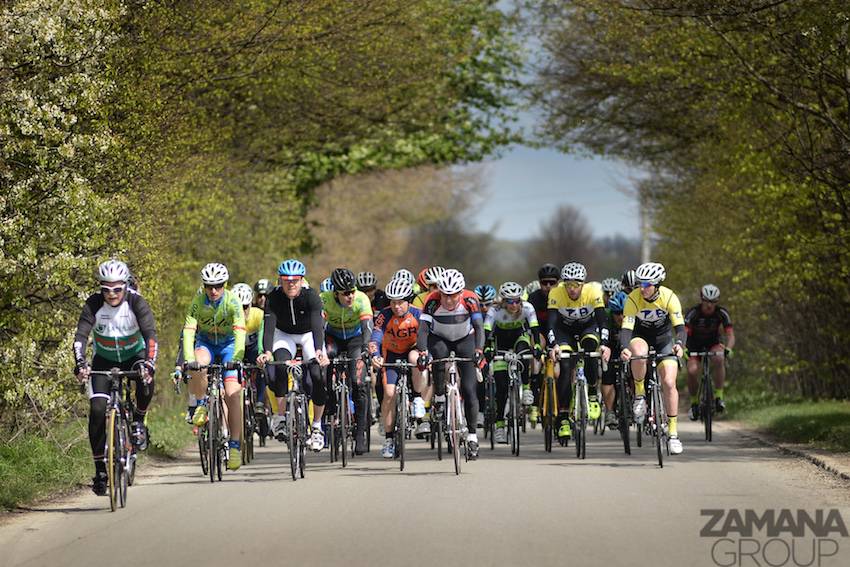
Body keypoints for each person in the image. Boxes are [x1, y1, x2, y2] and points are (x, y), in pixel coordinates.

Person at [74, 260, 157, 495]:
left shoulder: (136, 302)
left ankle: (139, 421)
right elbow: (80, 336)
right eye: (106, 289)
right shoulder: (93, 304)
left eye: (117, 289)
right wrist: (80, 364)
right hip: (105, 359)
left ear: (126, 286)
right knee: (98, 408)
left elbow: (151, 335)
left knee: (145, 379)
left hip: (134, 355)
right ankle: (100, 469)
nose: (111, 294)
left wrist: (149, 364)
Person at [259, 259, 329, 451]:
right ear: (280, 280)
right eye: (286, 280)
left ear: (301, 280)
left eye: (295, 280)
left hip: (307, 335)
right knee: (280, 365)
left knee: (316, 373)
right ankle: (281, 417)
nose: (291, 284)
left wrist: (318, 351)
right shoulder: (273, 298)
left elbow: (317, 327)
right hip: (284, 335)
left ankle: (316, 427)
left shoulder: (311, 296)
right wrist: (266, 352)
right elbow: (269, 328)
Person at [416, 268, 486, 459]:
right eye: (445, 295)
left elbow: (479, 327)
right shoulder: (432, 300)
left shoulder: (470, 299)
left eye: (453, 296)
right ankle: (439, 397)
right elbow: (423, 329)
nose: (448, 300)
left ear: (461, 292)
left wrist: (479, 351)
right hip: (439, 338)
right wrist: (423, 351)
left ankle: (472, 437)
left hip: (465, 339)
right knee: (438, 355)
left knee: (470, 390)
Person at [182, 262, 246, 469]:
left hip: (228, 346)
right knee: (197, 365)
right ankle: (201, 404)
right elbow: (189, 331)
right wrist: (189, 358)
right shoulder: (198, 301)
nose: (213, 290)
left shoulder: (233, 301)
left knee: (232, 393)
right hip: (207, 343)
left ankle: (235, 446)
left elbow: (240, 332)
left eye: (218, 285)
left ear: (225, 284)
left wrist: (238, 357)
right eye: (209, 286)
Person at [619, 262, 686, 455]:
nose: (642, 288)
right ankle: (640, 394)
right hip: (641, 337)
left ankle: (673, 434)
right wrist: (624, 347)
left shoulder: (669, 297)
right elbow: (626, 329)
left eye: (647, 284)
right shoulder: (633, 298)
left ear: (656, 285)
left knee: (669, 382)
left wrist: (679, 345)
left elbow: (680, 329)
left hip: (664, 339)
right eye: (640, 283)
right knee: (639, 352)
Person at [546, 262, 610, 440]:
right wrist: (553, 345)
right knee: (565, 367)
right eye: (568, 285)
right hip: (564, 331)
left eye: (576, 285)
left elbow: (603, 321)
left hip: (587, 328)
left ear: (583, 284)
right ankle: (564, 417)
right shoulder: (556, 293)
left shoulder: (593, 292)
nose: (572, 289)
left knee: (590, 348)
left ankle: (591, 393)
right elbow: (550, 324)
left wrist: (604, 343)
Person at [369, 278, 428, 457]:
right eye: (393, 302)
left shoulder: (418, 314)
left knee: (414, 358)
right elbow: (375, 338)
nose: (396, 306)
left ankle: (417, 398)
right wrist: (375, 356)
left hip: (412, 350)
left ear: (408, 300)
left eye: (400, 302)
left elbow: (427, 336)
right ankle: (388, 439)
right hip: (392, 353)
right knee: (389, 394)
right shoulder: (384, 315)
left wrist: (425, 353)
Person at [320, 267, 374, 454]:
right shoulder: (325, 300)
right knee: (325, 361)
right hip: (332, 338)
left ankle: (360, 433)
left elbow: (367, 326)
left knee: (358, 382)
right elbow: (318, 327)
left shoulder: (361, 298)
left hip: (355, 339)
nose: (350, 296)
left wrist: (366, 348)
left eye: (352, 291)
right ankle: (329, 403)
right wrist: (319, 351)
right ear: (336, 293)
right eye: (346, 293)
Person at [484, 281, 542, 444]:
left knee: (524, 354)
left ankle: (526, 388)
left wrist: (537, 345)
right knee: (501, 388)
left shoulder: (528, 308)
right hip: (500, 343)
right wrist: (487, 349)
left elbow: (535, 329)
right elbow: (487, 332)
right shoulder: (494, 310)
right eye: (510, 301)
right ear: (503, 301)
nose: (514, 304)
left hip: (519, 338)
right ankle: (500, 426)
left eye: (517, 300)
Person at [685, 284, 735, 419]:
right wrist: (683, 348)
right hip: (693, 345)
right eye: (706, 301)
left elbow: (730, 335)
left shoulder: (722, 313)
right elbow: (683, 333)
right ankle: (694, 402)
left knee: (719, 359)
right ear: (702, 299)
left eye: (713, 302)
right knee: (692, 370)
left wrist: (729, 348)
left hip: (713, 343)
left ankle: (719, 397)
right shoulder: (693, 313)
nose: (709, 305)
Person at [525, 263, 560, 425]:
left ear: (558, 283)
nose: (548, 286)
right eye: (544, 283)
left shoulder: (562, 296)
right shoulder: (534, 298)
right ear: (539, 283)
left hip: (557, 333)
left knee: (560, 371)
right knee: (536, 350)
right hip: (539, 331)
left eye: (552, 283)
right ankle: (533, 391)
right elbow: (530, 324)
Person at [601, 291, 627, 429]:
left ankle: (639, 400)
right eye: (617, 313)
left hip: (628, 350)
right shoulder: (607, 318)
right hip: (611, 350)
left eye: (624, 312)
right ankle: (610, 411)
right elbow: (602, 336)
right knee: (608, 375)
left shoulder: (633, 317)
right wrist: (604, 347)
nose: (621, 316)